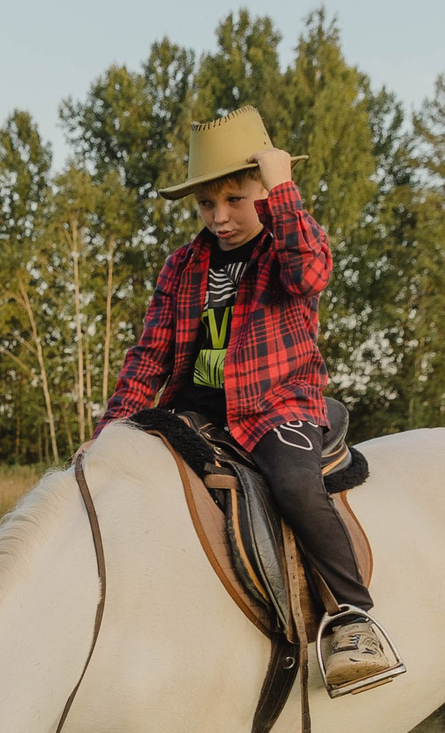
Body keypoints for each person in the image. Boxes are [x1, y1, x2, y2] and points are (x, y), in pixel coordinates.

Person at [97, 105, 405, 696]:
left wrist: (282, 188)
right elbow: (151, 354)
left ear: (265, 190)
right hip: (195, 410)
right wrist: (111, 431)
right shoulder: (183, 266)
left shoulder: (286, 249)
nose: (220, 217)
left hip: (274, 406)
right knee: (131, 480)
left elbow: (311, 274)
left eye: (235, 199)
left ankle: (354, 618)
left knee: (293, 483)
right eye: (206, 204)